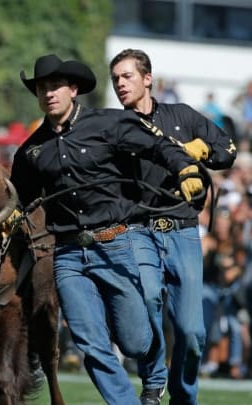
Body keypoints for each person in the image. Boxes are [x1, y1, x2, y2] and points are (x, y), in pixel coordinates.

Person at [8, 54, 204, 404]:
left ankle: (153, 364)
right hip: (68, 255)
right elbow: (20, 200)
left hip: (116, 243)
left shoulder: (108, 124)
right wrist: (10, 214)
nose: (48, 93)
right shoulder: (30, 151)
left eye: (55, 86)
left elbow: (158, 145)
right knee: (90, 344)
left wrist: (186, 170)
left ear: (73, 89)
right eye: (41, 88)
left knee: (134, 343)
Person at [109, 48, 237, 405]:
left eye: (127, 76)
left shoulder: (182, 116)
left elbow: (227, 149)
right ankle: (154, 379)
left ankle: (184, 397)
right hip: (138, 229)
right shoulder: (112, 127)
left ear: (148, 79)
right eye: (115, 78)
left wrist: (200, 151)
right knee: (149, 298)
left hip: (182, 229)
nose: (120, 84)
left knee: (192, 332)